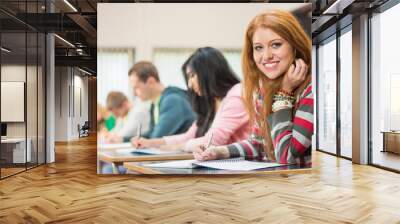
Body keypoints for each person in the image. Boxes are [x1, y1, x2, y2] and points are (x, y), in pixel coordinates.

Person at [194, 10, 313, 165]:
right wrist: (219, 151)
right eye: (258, 48)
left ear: (295, 45)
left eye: (276, 45)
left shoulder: (311, 90)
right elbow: (260, 144)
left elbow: (286, 156)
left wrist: (284, 93)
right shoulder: (264, 91)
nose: (266, 56)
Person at [133, 47, 251, 152]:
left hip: (240, 168)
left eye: (192, 76)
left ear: (208, 72)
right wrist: (150, 143)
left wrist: (178, 147)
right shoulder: (211, 102)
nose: (189, 84)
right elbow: (189, 136)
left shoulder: (236, 94)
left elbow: (212, 141)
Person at [125, 61, 196, 142]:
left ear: (151, 82)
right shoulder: (154, 104)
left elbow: (156, 137)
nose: (134, 93)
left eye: (136, 88)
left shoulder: (172, 101)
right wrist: (123, 139)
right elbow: (152, 134)